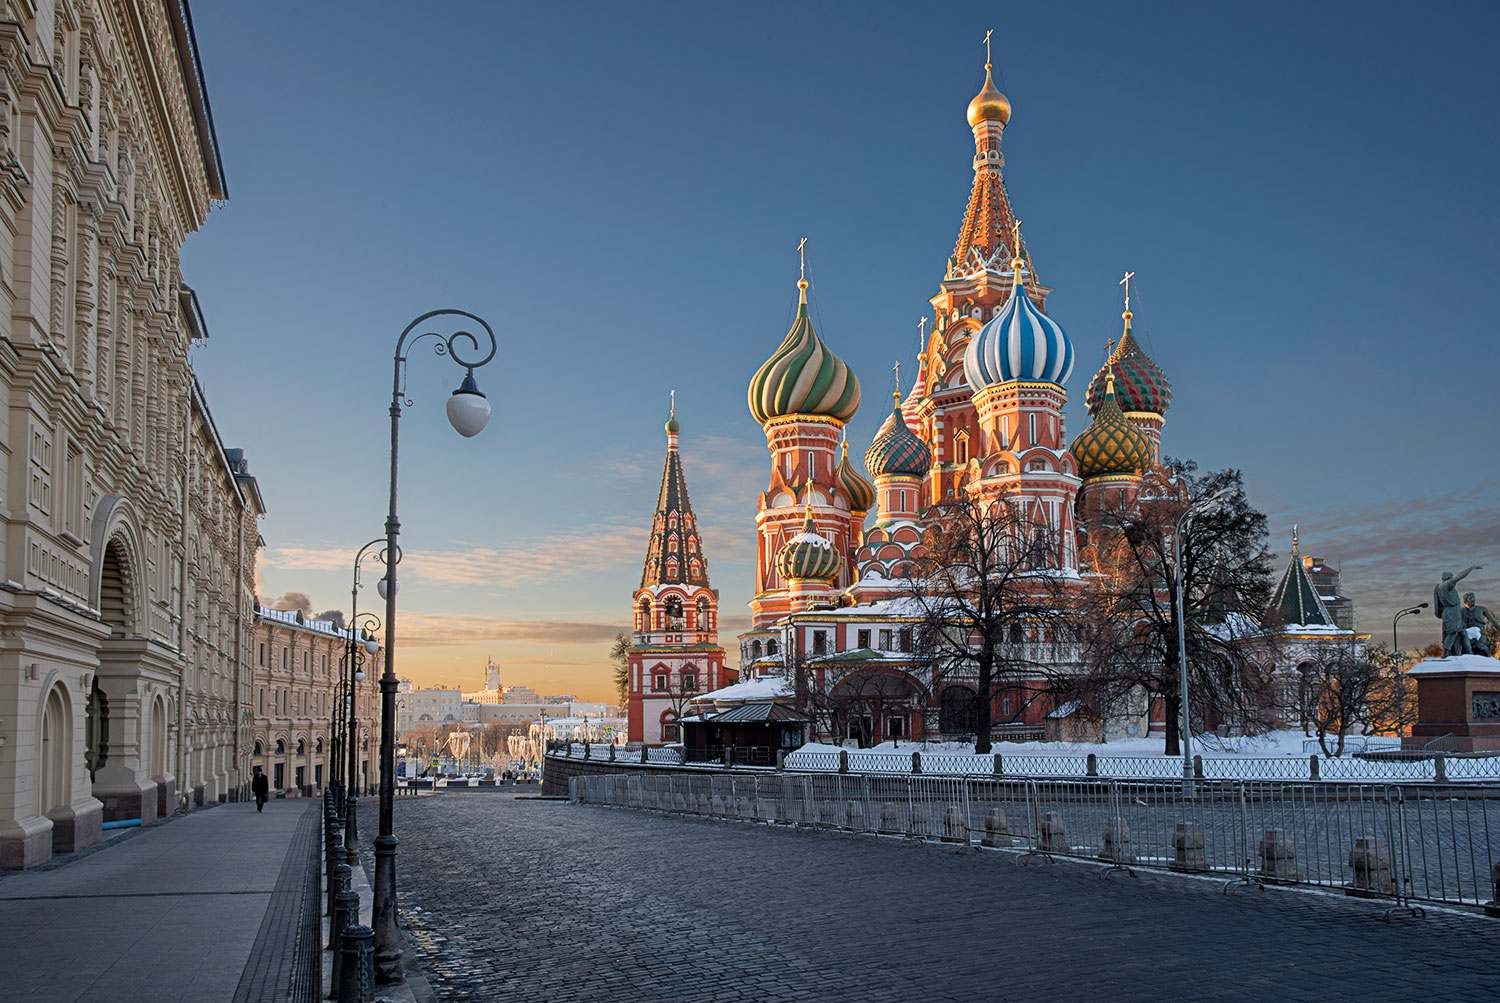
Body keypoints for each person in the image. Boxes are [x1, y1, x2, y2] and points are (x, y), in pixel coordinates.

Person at [1434, 566, 1482, 656]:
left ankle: (1469, 652)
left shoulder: (1438, 587)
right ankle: (1446, 651)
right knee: (1453, 632)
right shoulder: (1447, 584)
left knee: (1462, 632)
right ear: (1449, 578)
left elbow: (1438, 604)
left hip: (1447, 612)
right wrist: (1470, 569)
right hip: (1452, 612)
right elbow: (1459, 577)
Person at [1463, 593, 1500, 657]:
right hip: (1468, 634)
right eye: (1470, 598)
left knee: (1480, 646)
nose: (1473, 600)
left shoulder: (1481, 609)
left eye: (1473, 598)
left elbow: (1492, 620)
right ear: (1465, 601)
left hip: (1480, 633)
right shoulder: (1461, 611)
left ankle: (1486, 657)